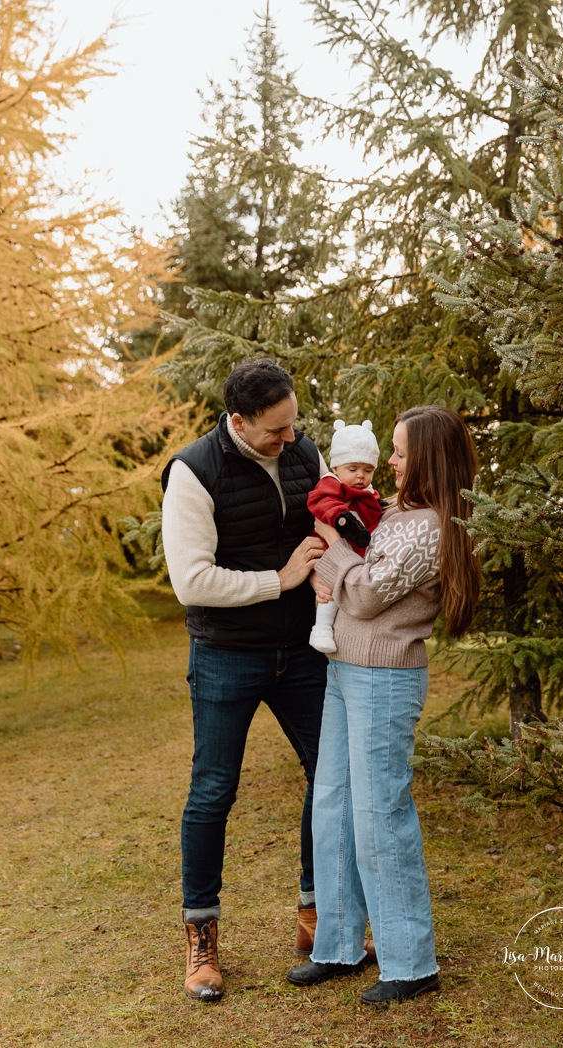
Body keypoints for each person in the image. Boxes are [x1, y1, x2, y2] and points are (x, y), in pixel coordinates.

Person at [287, 405, 481, 1005]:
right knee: (334, 804)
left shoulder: (432, 526)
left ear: (427, 457)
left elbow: (367, 595)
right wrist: (341, 544)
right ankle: (338, 945)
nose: (389, 462)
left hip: (384, 680)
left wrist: (330, 547)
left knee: (379, 815)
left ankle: (410, 961)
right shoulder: (398, 513)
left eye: (398, 451)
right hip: (343, 669)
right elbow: (360, 570)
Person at [161, 357, 329, 1002]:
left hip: (303, 653)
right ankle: (201, 938)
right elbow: (192, 581)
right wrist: (278, 580)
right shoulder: (193, 472)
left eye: (294, 427)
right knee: (212, 793)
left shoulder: (303, 450)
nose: (290, 441)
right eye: (275, 431)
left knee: (329, 774)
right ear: (238, 420)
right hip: (227, 654)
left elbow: (329, 519)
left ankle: (316, 915)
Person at [307, 419, 383, 654]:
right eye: (353, 470)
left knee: (352, 589)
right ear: (337, 467)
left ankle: (342, 629)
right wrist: (342, 519)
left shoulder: (367, 492)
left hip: (357, 552)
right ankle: (321, 628)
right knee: (329, 587)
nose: (361, 476)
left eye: (368, 470)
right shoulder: (331, 484)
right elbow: (321, 503)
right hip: (331, 548)